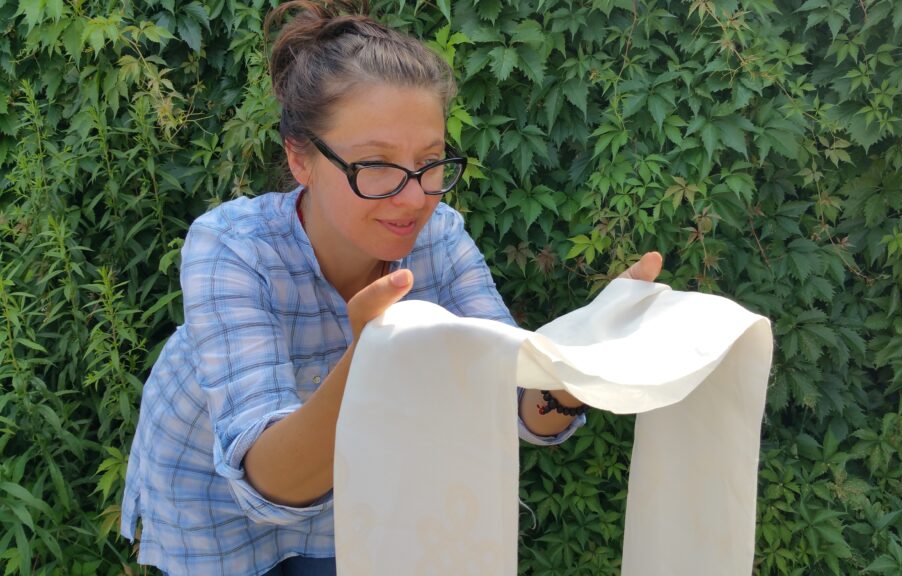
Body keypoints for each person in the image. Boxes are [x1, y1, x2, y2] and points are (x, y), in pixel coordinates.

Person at [119, 1, 664, 574]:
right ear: (300, 160)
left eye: (430, 161)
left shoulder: (439, 238)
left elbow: (518, 403)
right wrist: (366, 356)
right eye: (375, 164)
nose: (414, 198)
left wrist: (576, 360)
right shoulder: (233, 247)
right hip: (212, 507)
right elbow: (268, 483)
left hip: (348, 491)